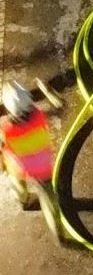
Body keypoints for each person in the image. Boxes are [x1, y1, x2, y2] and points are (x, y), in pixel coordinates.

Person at [0, 81, 60, 237]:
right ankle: (56, 226)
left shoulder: (7, 129)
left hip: (19, 167)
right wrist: (47, 91)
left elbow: (2, 146)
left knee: (18, 184)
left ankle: (24, 201)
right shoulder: (39, 116)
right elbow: (59, 107)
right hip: (42, 165)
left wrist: (2, 165)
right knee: (48, 195)